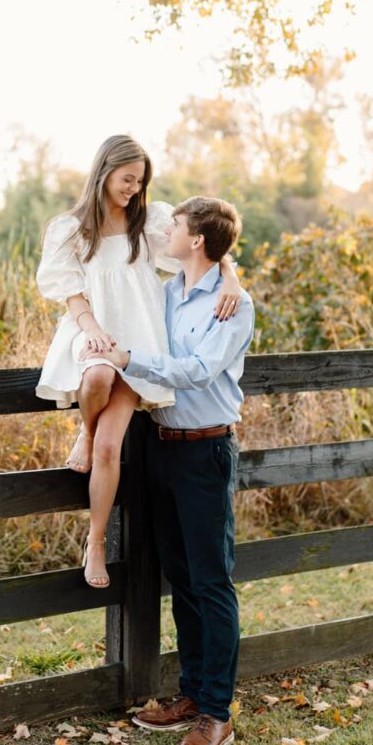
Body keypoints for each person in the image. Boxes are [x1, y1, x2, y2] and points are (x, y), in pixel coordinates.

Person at [80, 195, 254, 745]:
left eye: (177, 225)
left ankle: (216, 715)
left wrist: (129, 359)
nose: (168, 230)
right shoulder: (165, 292)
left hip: (206, 454)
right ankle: (191, 693)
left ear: (197, 240)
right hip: (161, 448)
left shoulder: (235, 305)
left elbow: (200, 371)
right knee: (180, 578)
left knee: (210, 582)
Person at [35, 136, 243, 588]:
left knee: (112, 449)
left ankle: (94, 544)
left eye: (140, 181)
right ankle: (84, 433)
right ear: (104, 171)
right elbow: (70, 291)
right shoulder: (69, 229)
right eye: (127, 179)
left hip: (140, 337)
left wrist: (230, 277)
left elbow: (204, 246)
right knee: (97, 374)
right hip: (91, 329)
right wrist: (92, 331)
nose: (134, 188)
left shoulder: (148, 221)